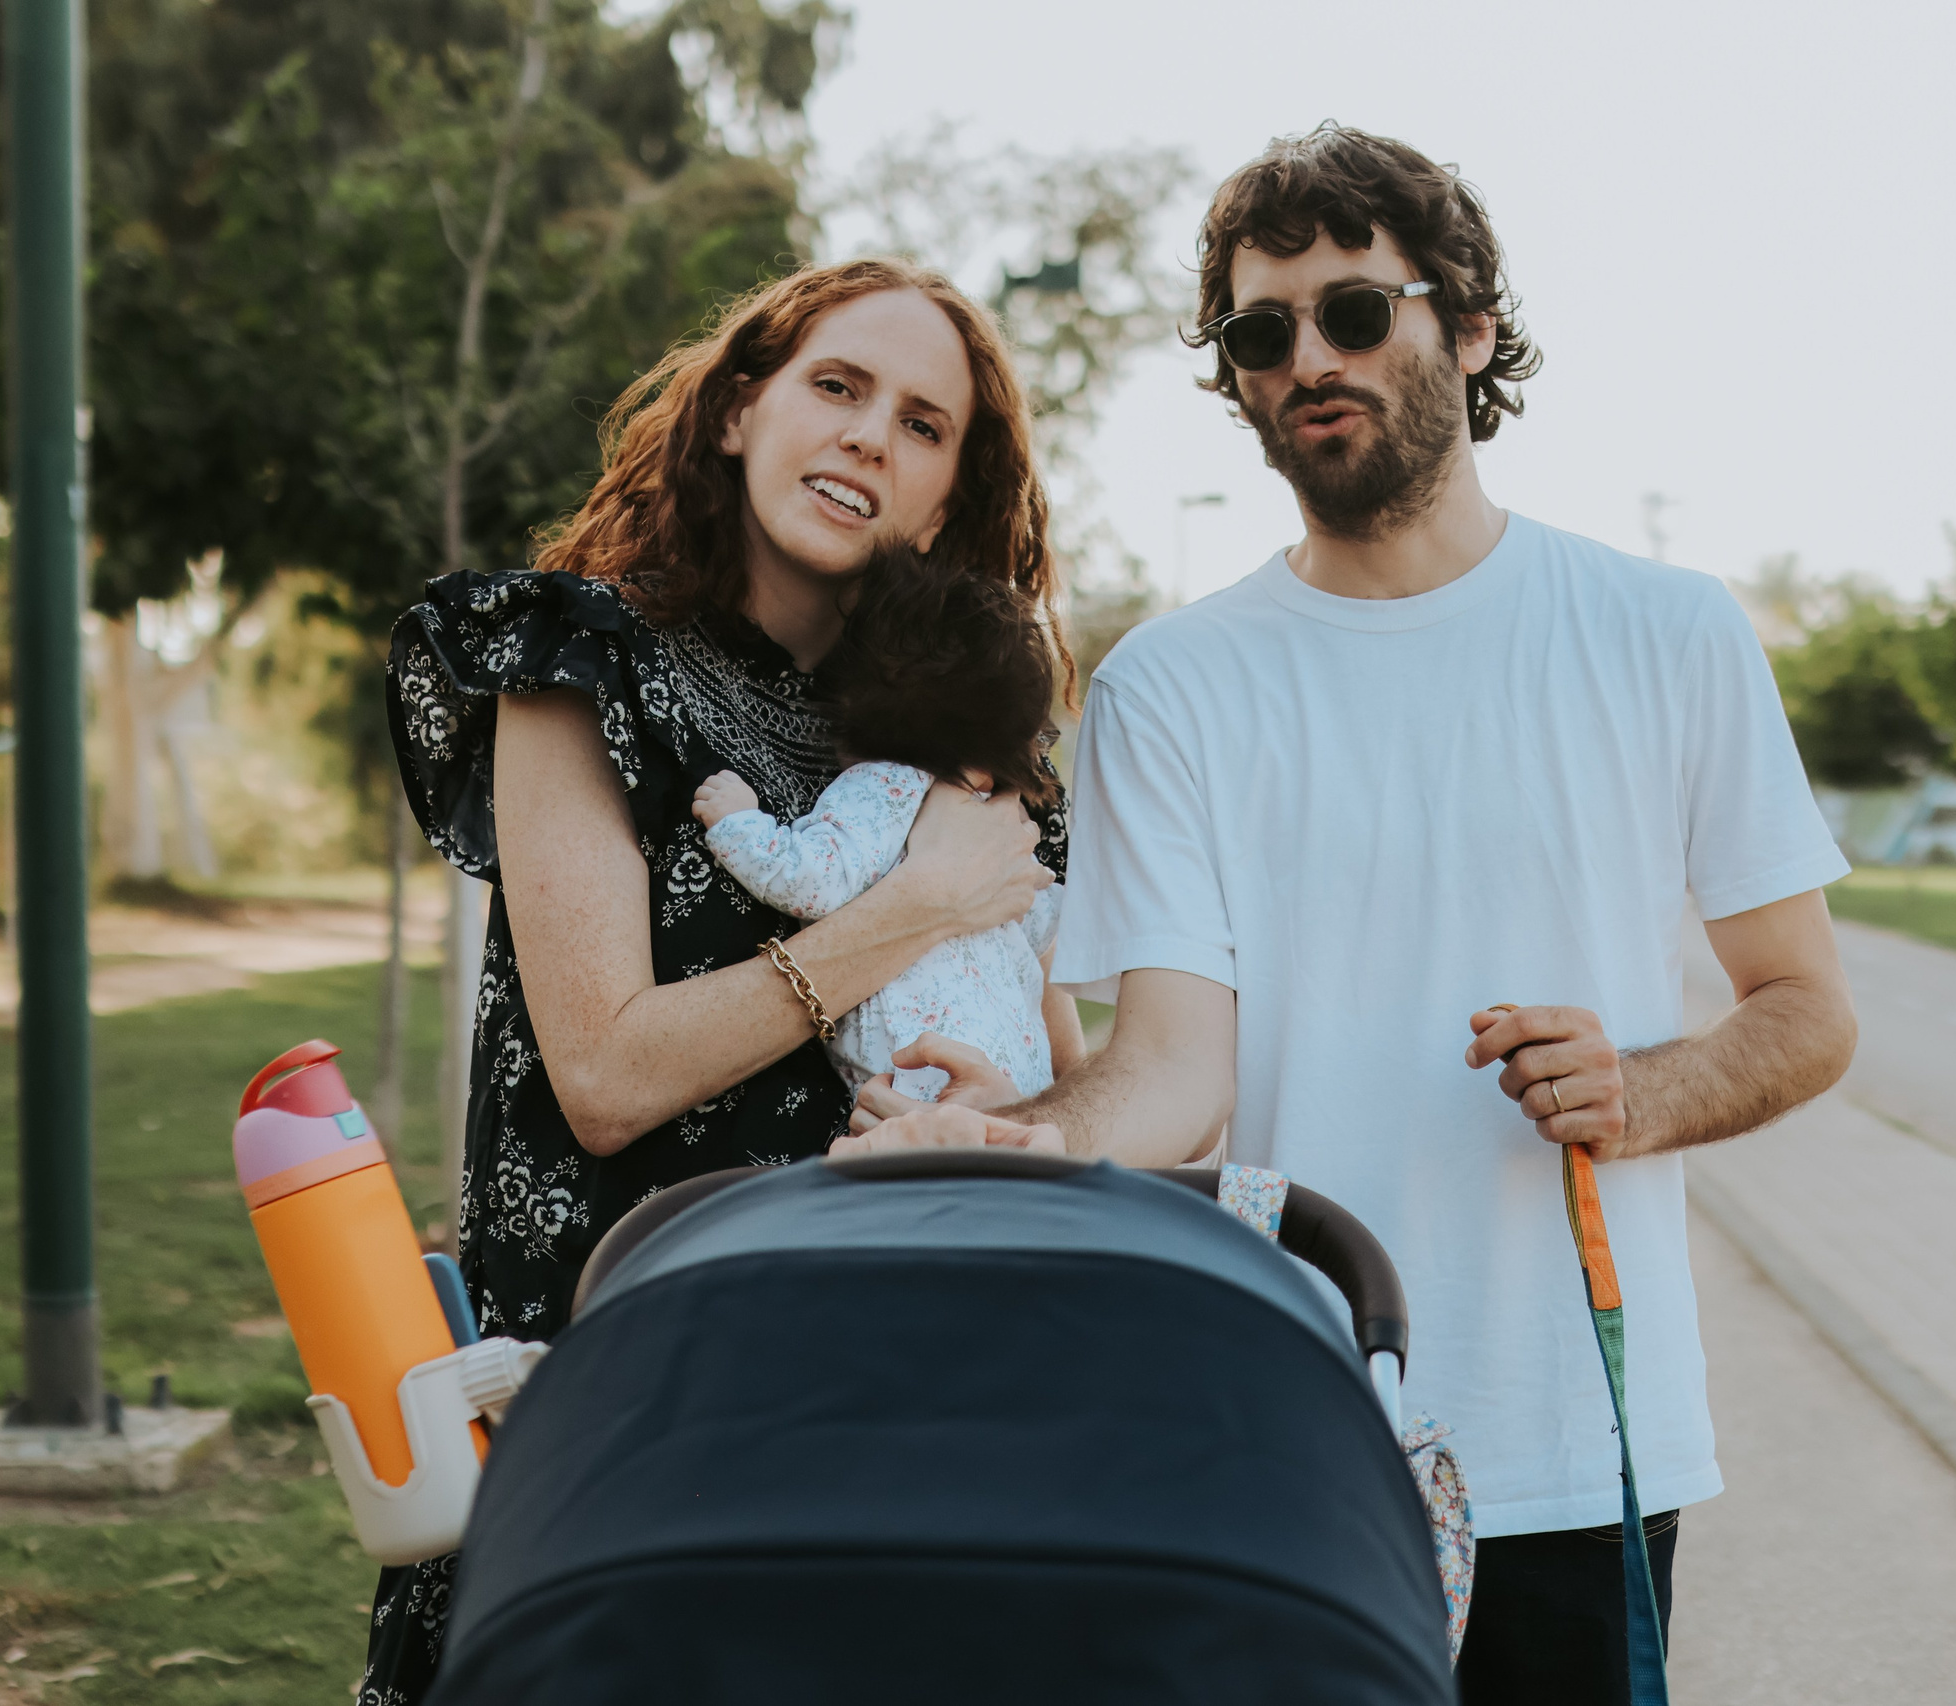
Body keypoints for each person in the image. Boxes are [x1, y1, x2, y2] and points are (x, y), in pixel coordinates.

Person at [842, 125, 1860, 1705]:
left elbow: (1806, 1008)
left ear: (1472, 328)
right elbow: (1175, 1069)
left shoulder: (1667, 632)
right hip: (1279, 1442)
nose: (1309, 357)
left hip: (1576, 1454)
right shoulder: (1172, 684)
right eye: (1262, 334)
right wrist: (1015, 1135)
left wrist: (1641, 1088)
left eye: (1357, 311)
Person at [363, 258, 1069, 1704]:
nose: (870, 435)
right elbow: (606, 1074)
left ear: (947, 501)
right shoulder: (583, 662)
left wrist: (994, 1113)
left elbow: (1053, 1065)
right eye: (837, 385)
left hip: (878, 1388)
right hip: (623, 1385)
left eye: (923, 424)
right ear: (740, 410)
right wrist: (914, 905)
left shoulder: (957, 742)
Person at [692, 542, 1080, 1101]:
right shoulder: (993, 816)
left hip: (922, 1076)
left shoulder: (884, 786)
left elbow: (812, 879)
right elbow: (1041, 921)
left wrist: (738, 822)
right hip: (1015, 1081)